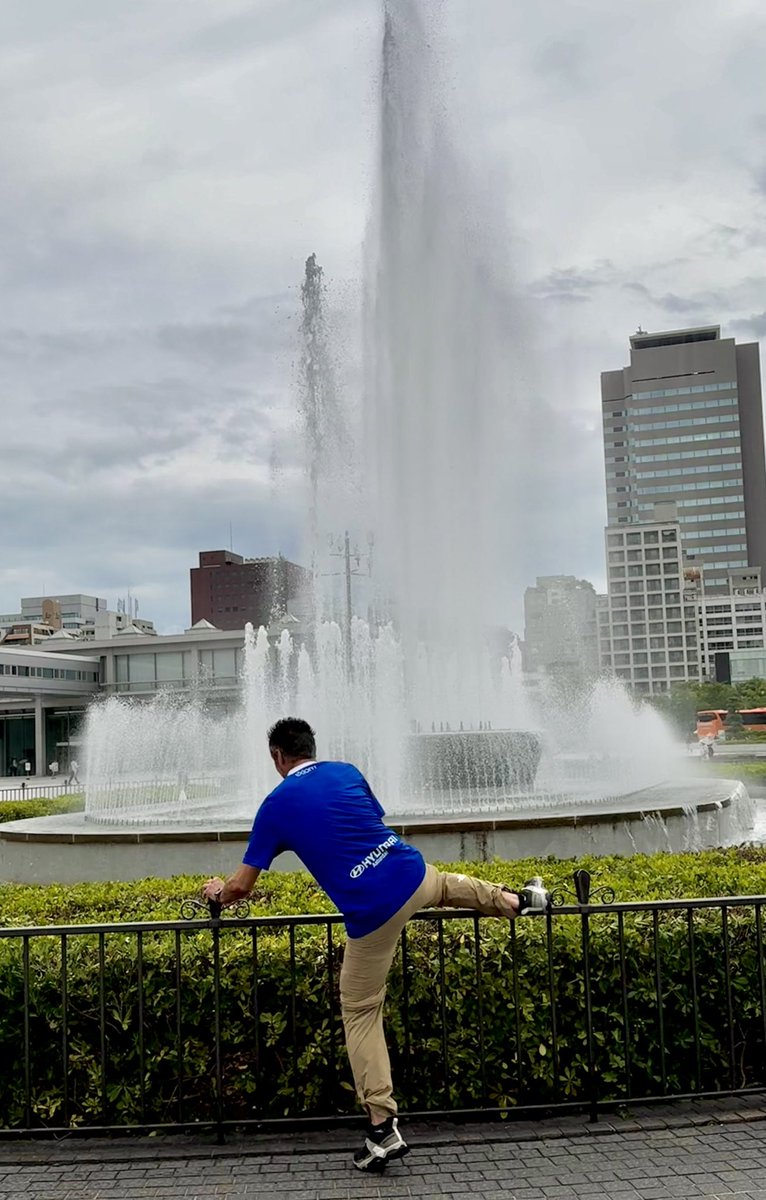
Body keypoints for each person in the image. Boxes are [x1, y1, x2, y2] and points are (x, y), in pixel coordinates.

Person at [203, 717, 550, 1173]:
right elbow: (367, 822)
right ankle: (521, 899)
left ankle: (382, 1128)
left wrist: (216, 893)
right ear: (313, 746)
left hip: (373, 913)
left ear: (277, 757)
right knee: (446, 885)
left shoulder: (274, 806)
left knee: (361, 1011)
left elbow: (243, 886)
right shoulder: (346, 770)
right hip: (410, 872)